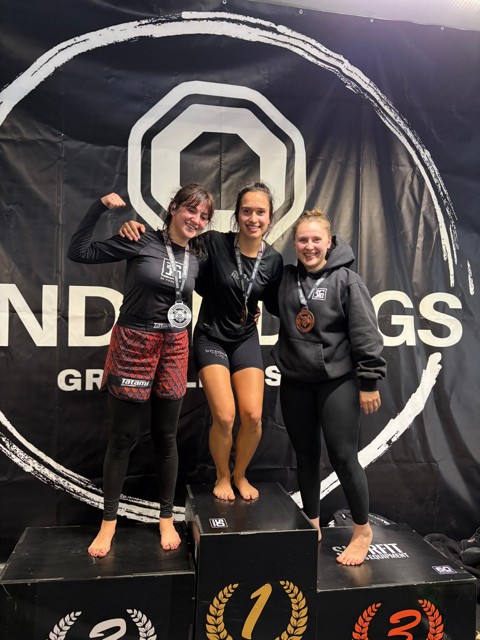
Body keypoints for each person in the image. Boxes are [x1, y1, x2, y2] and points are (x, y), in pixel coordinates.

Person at [68, 185, 215, 557]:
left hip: (175, 346)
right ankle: (108, 523)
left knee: (166, 438)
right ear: (173, 208)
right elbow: (79, 251)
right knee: (122, 439)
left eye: (204, 216)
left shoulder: (197, 255)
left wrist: (249, 312)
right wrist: (99, 208)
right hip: (134, 341)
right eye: (191, 211)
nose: (196, 220)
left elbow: (218, 291)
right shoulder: (140, 239)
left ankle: (166, 518)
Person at [120, 182, 283, 502]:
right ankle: (222, 475)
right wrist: (135, 229)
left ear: (270, 217)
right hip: (211, 336)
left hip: (245, 338)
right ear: (237, 215)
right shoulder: (213, 243)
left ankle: (240, 474)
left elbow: (277, 302)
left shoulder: (273, 260)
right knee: (225, 416)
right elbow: (174, 245)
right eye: (246, 211)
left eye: (260, 212)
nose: (253, 218)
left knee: (252, 417)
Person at [271, 208, 386, 566]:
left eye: (316, 239)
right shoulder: (285, 279)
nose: (309, 246)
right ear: (294, 244)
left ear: (330, 242)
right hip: (295, 381)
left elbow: (365, 333)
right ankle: (312, 524)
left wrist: (369, 381)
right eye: (302, 240)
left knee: (343, 457)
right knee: (305, 457)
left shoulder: (347, 280)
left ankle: (362, 530)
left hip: (337, 382)